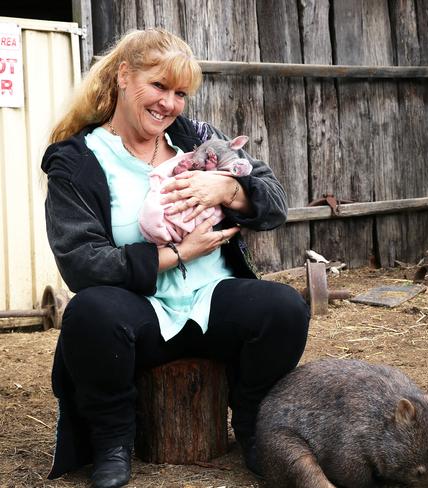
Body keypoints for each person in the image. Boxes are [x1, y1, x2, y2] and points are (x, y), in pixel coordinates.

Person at [41, 28, 310, 488]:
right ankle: (112, 442)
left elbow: (276, 201)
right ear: (124, 77)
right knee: (90, 313)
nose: (168, 104)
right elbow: (82, 263)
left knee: (284, 308)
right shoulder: (76, 159)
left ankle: (252, 426)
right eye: (159, 86)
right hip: (138, 314)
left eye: (180, 93)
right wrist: (177, 252)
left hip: (211, 302)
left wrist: (231, 188)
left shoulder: (199, 138)